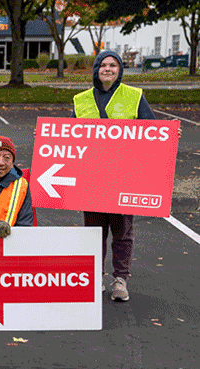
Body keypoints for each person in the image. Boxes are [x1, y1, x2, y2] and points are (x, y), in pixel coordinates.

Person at [72, 51, 157, 302]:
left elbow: (151, 131)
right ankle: (95, 275)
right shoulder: (82, 100)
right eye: (103, 65)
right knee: (95, 231)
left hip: (123, 177)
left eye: (113, 65)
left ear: (120, 70)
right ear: (96, 69)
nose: (108, 69)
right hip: (92, 177)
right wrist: (46, 136)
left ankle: (120, 279)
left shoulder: (134, 96)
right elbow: (68, 134)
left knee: (122, 232)